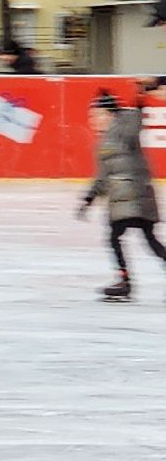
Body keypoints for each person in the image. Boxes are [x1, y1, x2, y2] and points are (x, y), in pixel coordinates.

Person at [77, 89, 166, 303]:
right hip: (124, 197)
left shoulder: (123, 130)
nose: (92, 120)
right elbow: (103, 176)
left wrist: (139, 102)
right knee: (146, 239)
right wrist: (89, 199)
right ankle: (124, 281)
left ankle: (125, 282)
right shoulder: (102, 143)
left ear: (108, 114)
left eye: (95, 115)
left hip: (134, 193)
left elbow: (133, 123)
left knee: (121, 237)